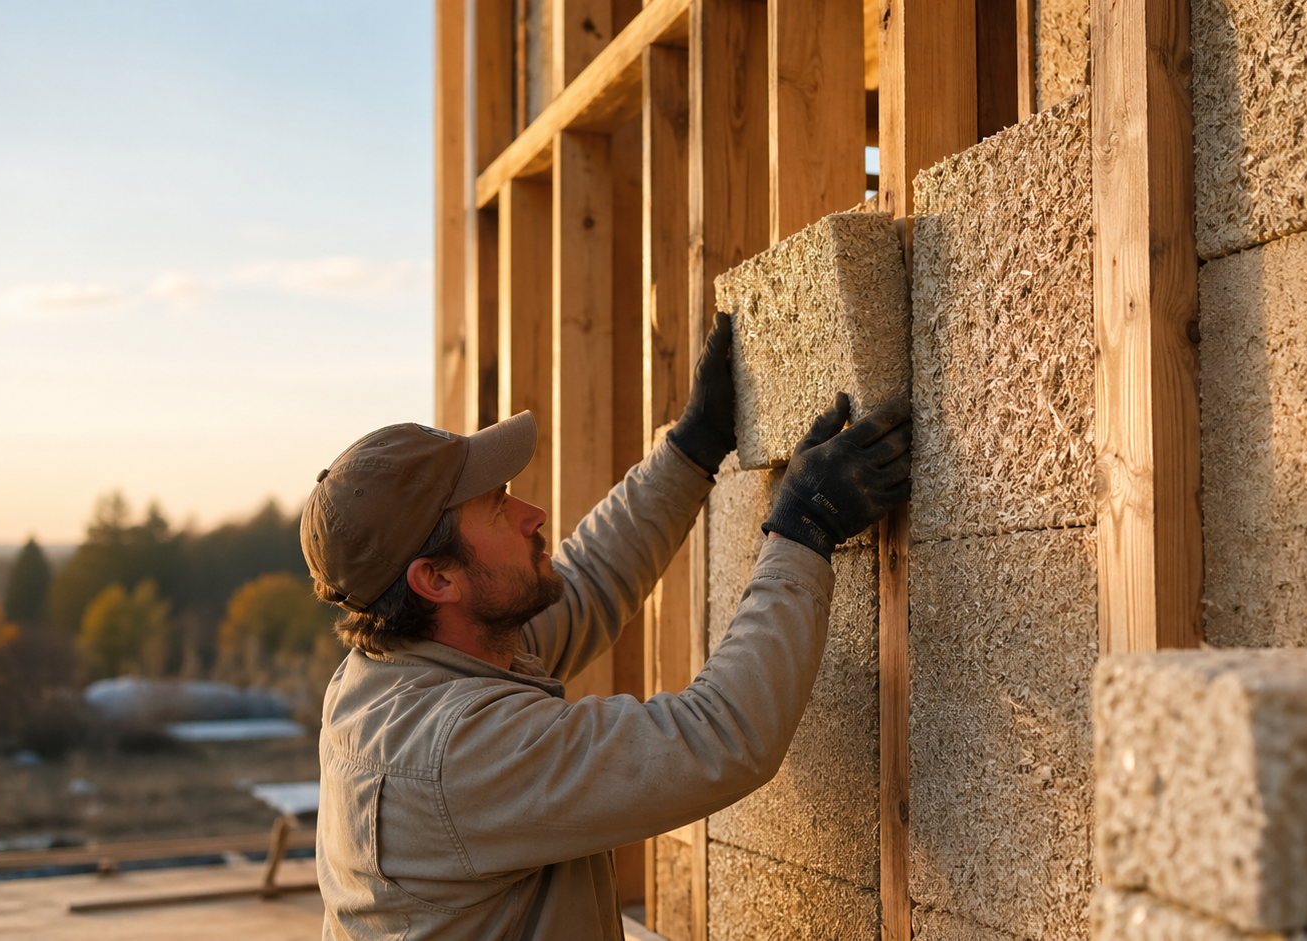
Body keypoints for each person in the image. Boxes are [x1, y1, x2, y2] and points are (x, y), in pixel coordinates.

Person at [301, 313, 912, 940]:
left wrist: (692, 449)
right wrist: (804, 527)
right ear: (437, 580)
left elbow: (586, 583)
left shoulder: (406, 664)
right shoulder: (455, 753)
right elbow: (720, 740)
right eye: (497, 507)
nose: (532, 513)